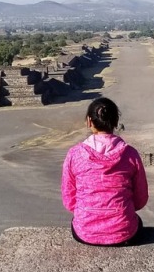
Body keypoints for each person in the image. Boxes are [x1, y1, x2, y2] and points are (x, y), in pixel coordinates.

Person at [61, 97, 149, 246]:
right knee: (137, 221)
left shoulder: (74, 154)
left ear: (89, 121)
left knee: (76, 221)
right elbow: (141, 200)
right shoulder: (130, 154)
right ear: (115, 122)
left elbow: (69, 201)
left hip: (85, 232)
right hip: (124, 231)